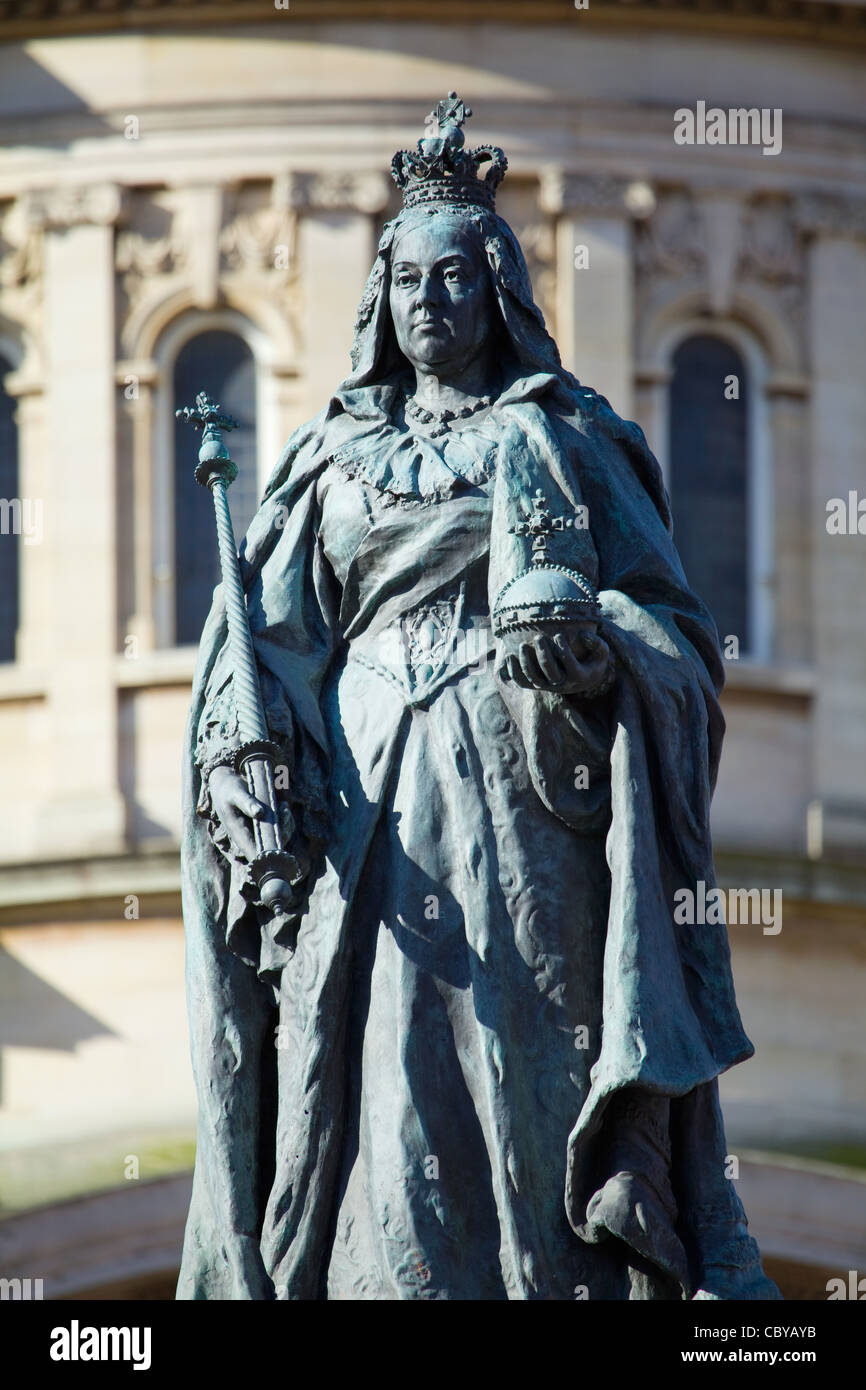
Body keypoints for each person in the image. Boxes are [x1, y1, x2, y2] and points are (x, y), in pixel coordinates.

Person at [177, 94, 779, 1301]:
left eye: (455, 277)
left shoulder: (565, 438)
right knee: (381, 1094)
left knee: (524, 1063)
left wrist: (596, 648)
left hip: (524, 802)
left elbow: (673, 635)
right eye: (406, 280)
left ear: (497, 290)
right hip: (366, 814)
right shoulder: (326, 463)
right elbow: (264, 650)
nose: (429, 302)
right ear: (379, 299)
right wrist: (244, 747)